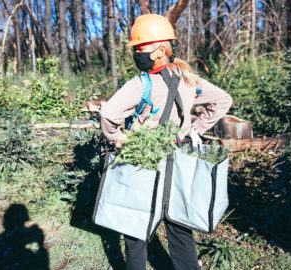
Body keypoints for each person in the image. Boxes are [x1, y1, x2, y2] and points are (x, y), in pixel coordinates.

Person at [99, 14, 232, 270]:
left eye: (140, 48)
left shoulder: (140, 85)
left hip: (144, 164)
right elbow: (223, 100)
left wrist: (117, 138)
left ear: (160, 50)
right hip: (178, 164)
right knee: (180, 226)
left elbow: (108, 113)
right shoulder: (189, 80)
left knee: (136, 227)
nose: (137, 53)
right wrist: (196, 130)